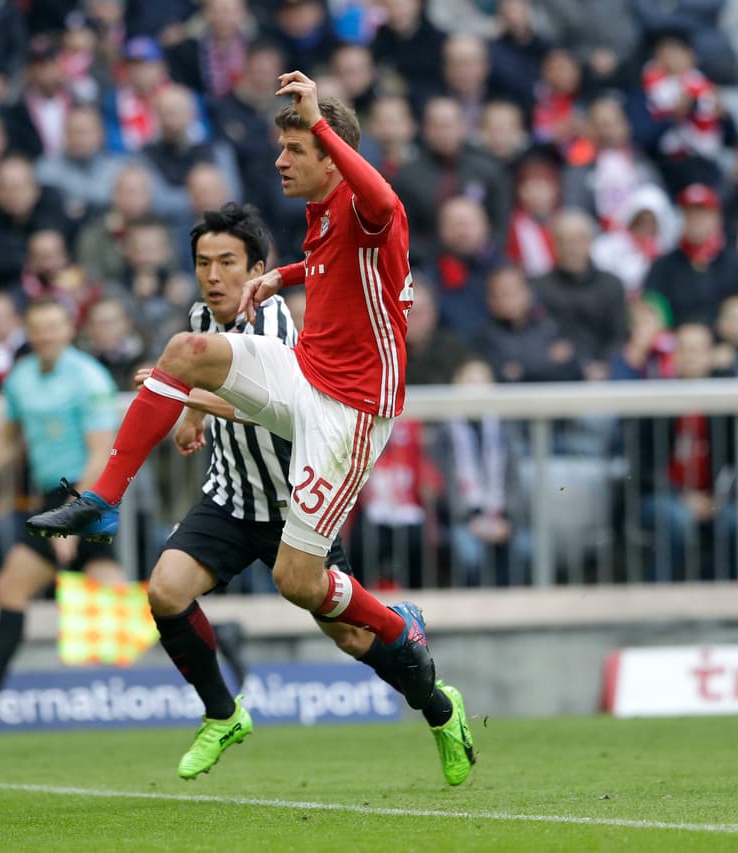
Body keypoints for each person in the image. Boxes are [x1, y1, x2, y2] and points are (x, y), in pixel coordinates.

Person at [28, 74, 459, 767]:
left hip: (351, 411)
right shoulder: (319, 213)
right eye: (283, 147)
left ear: (328, 151)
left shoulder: (364, 203)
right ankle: (102, 501)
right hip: (305, 381)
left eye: (295, 148)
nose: (281, 161)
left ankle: (405, 640)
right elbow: (329, 265)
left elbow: (384, 202)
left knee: (302, 585)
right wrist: (281, 274)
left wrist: (320, 123)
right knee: (185, 350)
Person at [142, 202, 474, 784]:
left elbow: (268, 412)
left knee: (352, 638)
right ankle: (223, 714)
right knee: (166, 591)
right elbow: (205, 384)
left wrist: (185, 400)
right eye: (203, 263)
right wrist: (190, 420)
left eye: (227, 263)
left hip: (296, 502)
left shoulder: (275, 325)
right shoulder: (198, 318)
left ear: (257, 269)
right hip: (231, 497)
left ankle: (441, 710)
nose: (214, 276)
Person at [0, 296, 123, 729]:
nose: (46, 335)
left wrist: (73, 517)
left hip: (85, 498)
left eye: (53, 326)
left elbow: (100, 458)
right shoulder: (21, 378)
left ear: (68, 329)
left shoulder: (89, 378)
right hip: (48, 499)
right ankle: (215, 635)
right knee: (115, 596)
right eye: (38, 328)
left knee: (12, 587)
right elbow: (15, 441)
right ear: (29, 332)